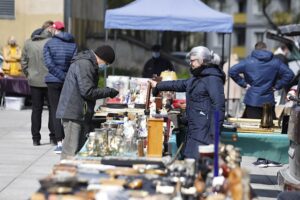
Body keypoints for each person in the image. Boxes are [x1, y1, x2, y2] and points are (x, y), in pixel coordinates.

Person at [150, 46, 225, 159]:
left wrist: (214, 136)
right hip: (194, 129)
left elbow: (218, 107)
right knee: (190, 162)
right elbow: (179, 84)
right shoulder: (198, 77)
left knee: (198, 164)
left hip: (204, 133)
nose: (191, 63)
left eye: (193, 61)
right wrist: (158, 86)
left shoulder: (213, 79)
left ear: (202, 60)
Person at [56, 45, 119, 160]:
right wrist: (108, 91)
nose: (106, 66)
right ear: (102, 58)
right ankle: (64, 175)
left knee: (77, 151)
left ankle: (72, 175)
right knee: (70, 152)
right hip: (73, 112)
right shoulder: (86, 64)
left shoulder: (89, 63)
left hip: (77, 111)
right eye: (107, 63)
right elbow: (87, 91)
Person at [229, 42, 294, 119]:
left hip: (252, 100)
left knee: (253, 127)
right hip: (268, 100)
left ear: (255, 49)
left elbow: (232, 71)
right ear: (266, 49)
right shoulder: (275, 62)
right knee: (269, 128)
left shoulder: (248, 61)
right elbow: (290, 74)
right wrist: (277, 86)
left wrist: (244, 84)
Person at [43, 21, 77, 154]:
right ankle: (69, 140)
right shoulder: (73, 44)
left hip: (53, 81)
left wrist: (59, 75)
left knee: (55, 110)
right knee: (67, 110)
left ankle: (59, 142)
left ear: (55, 30)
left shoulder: (49, 44)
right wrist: (65, 76)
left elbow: (49, 64)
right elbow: (74, 63)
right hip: (67, 81)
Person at [21, 21, 55, 146]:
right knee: (52, 109)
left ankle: (36, 138)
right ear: (47, 30)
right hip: (50, 81)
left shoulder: (28, 43)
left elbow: (24, 62)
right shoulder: (51, 42)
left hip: (34, 81)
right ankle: (53, 137)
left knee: (36, 110)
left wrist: (29, 75)